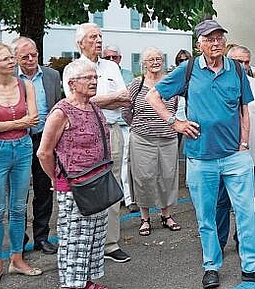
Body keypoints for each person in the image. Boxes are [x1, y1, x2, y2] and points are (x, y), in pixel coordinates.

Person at [146, 19, 255, 289]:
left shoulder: (237, 71)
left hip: (235, 156)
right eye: (210, 38)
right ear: (200, 44)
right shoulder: (189, 69)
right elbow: (153, 96)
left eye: (219, 37)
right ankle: (211, 266)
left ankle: (252, 267)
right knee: (206, 217)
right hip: (200, 158)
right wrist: (175, 122)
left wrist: (244, 143)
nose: (216, 42)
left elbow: (244, 109)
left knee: (247, 213)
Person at [37, 60, 112, 289]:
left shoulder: (93, 108)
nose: (93, 81)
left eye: (94, 77)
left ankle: (85, 280)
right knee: (74, 238)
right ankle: (67, 288)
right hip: (73, 186)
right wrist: (55, 178)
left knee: (94, 236)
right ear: (71, 84)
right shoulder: (61, 112)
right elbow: (44, 153)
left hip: (97, 182)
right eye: (87, 78)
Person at [64, 23, 132, 263]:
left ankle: (111, 243)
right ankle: (90, 241)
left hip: (112, 131)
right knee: (88, 187)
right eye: (93, 36)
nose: (99, 40)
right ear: (80, 43)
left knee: (112, 187)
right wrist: (108, 99)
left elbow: (125, 99)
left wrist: (99, 99)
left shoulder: (111, 66)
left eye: (100, 36)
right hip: (84, 137)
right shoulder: (73, 69)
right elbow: (76, 102)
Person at [216, 45, 255, 252]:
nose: (243, 65)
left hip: (252, 154)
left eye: (246, 62)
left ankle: (244, 241)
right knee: (222, 202)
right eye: (238, 61)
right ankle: (219, 242)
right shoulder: (218, 82)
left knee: (247, 203)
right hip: (227, 154)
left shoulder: (254, 85)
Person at [123, 47, 180, 237]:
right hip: (142, 139)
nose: (155, 62)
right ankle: (145, 218)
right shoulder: (136, 84)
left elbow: (175, 107)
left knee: (167, 177)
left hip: (168, 138)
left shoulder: (171, 82)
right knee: (144, 178)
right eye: (151, 59)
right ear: (144, 63)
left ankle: (167, 216)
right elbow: (126, 111)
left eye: (158, 59)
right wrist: (141, 127)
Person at [13, 36, 62, 254]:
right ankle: (19, 240)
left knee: (44, 190)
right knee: (19, 192)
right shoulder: (8, 78)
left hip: (45, 139)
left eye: (34, 54)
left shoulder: (52, 75)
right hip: (19, 141)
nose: (31, 59)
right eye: (25, 56)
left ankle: (41, 237)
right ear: (16, 58)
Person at [0, 42, 41, 278]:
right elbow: (26, 121)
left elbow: (34, 119)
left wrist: (9, 126)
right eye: (5, 59)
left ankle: (16, 258)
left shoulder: (25, 86)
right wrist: (19, 123)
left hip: (23, 147)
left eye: (10, 57)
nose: (11, 61)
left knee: (18, 207)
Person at [102, 44, 138, 213]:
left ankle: (128, 198)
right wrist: (114, 100)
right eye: (107, 57)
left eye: (114, 57)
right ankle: (116, 198)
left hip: (124, 125)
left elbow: (128, 100)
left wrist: (107, 101)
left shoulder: (127, 75)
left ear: (120, 58)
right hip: (106, 126)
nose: (111, 60)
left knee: (125, 163)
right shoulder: (101, 73)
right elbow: (94, 101)